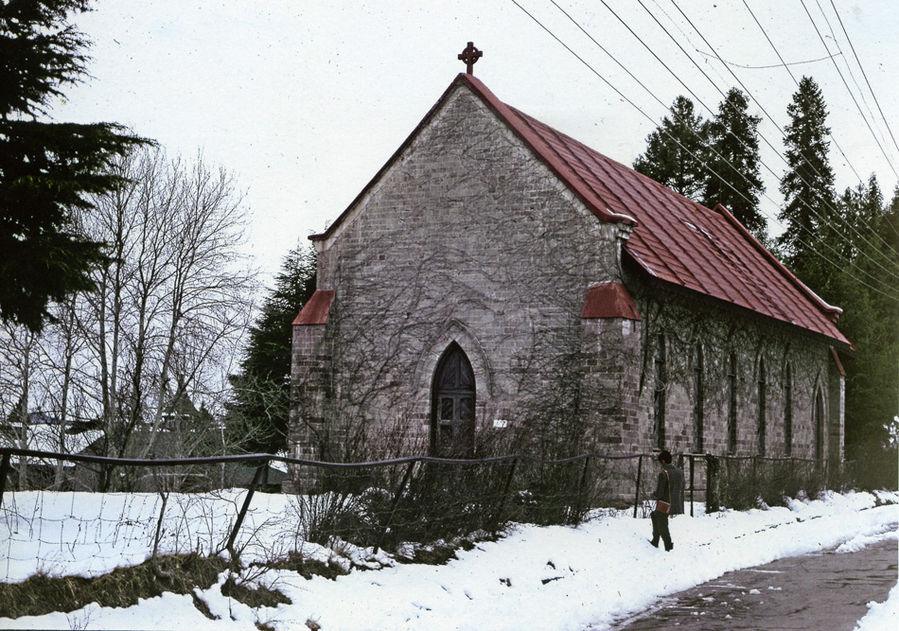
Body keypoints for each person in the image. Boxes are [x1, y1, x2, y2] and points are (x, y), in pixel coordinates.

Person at [649, 450, 684, 551]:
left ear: (663, 461)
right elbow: (682, 486)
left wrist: (654, 495)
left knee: (662, 523)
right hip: (676, 502)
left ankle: (668, 545)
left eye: (660, 462)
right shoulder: (679, 472)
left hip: (664, 503)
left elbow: (660, 492)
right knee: (655, 516)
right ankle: (655, 540)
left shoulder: (663, 473)